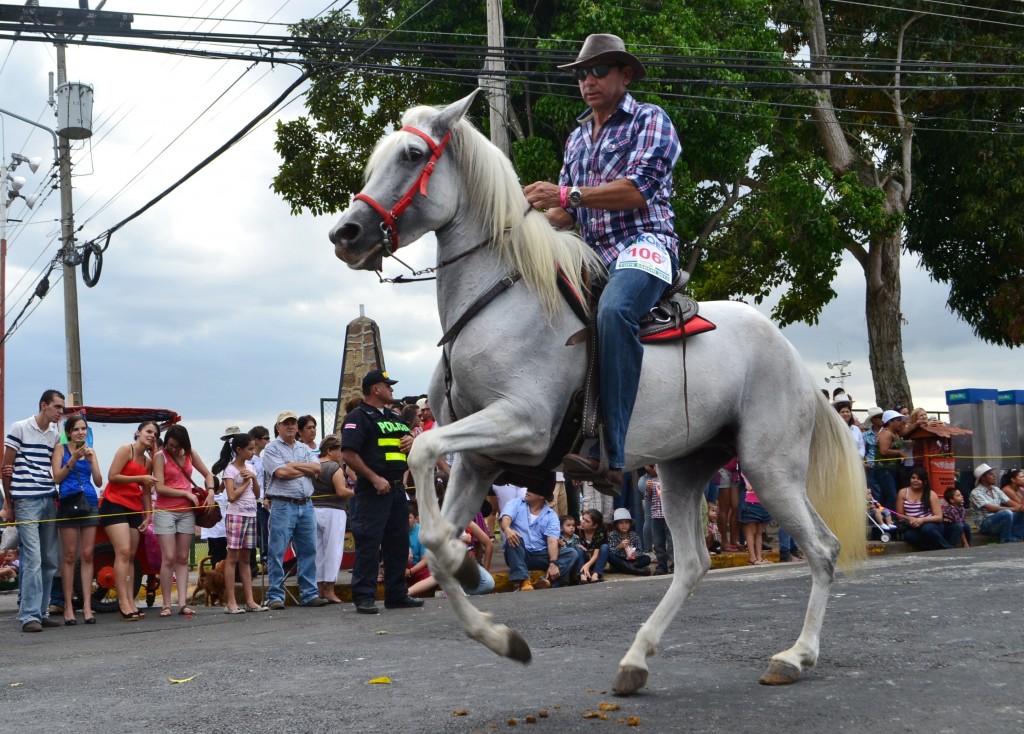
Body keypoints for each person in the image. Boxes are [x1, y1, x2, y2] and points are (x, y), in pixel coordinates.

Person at [524, 33, 681, 494]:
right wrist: (518, 224)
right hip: (591, 255)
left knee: (613, 311)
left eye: (597, 71)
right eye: (580, 74)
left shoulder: (650, 120)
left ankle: (613, 453)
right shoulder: (576, 138)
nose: (587, 81)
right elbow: (565, 214)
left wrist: (565, 194)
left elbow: (636, 190)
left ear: (624, 75)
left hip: (645, 245)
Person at [341, 369, 422, 614]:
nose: (392, 389)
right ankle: (364, 597)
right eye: (388, 385)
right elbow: (349, 454)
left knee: (398, 543)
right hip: (373, 490)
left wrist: (412, 442)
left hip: (397, 489)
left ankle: (396, 595)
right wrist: (374, 478)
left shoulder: (395, 417)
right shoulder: (358, 416)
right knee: (369, 543)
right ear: (375, 389)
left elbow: (407, 445)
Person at [2, 389, 65, 632]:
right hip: (26, 499)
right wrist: (9, 504)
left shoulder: (55, 434)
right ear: (44, 405)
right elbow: (6, 467)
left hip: (48, 497)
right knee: (32, 557)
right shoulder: (20, 427)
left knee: (49, 559)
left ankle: (41, 611)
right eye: (57, 407)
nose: (60, 412)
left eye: (62, 408)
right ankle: (29, 615)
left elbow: (55, 468)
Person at [262, 410, 329, 610]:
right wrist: (303, 468)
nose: (290, 426)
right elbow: (281, 473)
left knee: (309, 550)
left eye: (293, 423)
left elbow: (317, 469)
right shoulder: (271, 449)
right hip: (283, 504)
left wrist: (293, 465)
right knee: (277, 551)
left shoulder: (304, 447)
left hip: (306, 504)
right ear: (278, 427)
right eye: (286, 423)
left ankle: (309, 594)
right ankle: (275, 596)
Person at [153, 424, 217, 616]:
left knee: (182, 558)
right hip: (165, 510)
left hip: (187, 512)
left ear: (184, 444)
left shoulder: (190, 454)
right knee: (169, 557)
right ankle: (166, 604)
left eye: (176, 445)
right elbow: (159, 487)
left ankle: (182, 603)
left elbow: (208, 474)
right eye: (169, 444)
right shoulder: (160, 456)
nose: (172, 448)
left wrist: (211, 491)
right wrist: (185, 493)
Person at [100, 421, 159, 621]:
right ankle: (122, 602)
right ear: (138, 432)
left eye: (155, 434)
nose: (151, 435)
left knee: (131, 556)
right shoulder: (127, 449)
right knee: (123, 551)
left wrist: (148, 515)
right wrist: (140, 478)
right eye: (148, 431)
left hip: (134, 507)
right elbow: (112, 476)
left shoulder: (148, 462)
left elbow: (146, 492)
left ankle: (130, 601)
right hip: (114, 504)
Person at [51, 415, 103, 625]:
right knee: (70, 555)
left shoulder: (91, 451)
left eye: (83, 429)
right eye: (76, 429)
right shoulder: (60, 449)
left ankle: (87, 606)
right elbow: (57, 478)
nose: (80, 432)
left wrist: (91, 460)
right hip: (68, 502)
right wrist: (72, 460)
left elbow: (98, 481)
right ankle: (68, 605)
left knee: (88, 554)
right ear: (68, 433)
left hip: (89, 501)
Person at [214, 432, 266, 614]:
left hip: (251, 514)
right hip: (236, 515)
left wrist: (252, 478)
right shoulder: (230, 470)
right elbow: (231, 496)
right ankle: (231, 602)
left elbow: (257, 494)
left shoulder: (251, 467)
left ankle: (250, 600)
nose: (252, 452)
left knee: (246, 559)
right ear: (239, 450)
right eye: (250, 449)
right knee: (232, 558)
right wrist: (245, 482)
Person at [499, 476, 577, 590]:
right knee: (514, 538)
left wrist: (553, 562)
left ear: (542, 496)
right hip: (520, 553)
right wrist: (507, 530)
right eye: (528, 488)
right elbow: (506, 518)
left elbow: (552, 541)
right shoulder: (516, 503)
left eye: (532, 490)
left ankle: (546, 582)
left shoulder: (551, 515)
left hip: (541, 555)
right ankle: (523, 581)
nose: (527, 491)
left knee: (571, 553)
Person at [311, 434, 354, 604]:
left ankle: (319, 589)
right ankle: (330, 590)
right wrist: (357, 492)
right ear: (329, 451)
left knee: (318, 551)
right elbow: (341, 491)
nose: (341, 454)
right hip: (334, 511)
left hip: (314, 510)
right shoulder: (334, 467)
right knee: (333, 550)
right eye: (339, 450)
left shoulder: (313, 465)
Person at [896, 468, 955, 551]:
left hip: (931, 524)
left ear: (925, 481)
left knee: (927, 528)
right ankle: (934, 548)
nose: (915, 481)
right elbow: (899, 515)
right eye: (913, 478)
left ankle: (947, 546)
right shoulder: (903, 492)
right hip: (912, 525)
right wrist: (910, 519)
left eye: (919, 479)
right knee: (909, 535)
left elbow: (939, 517)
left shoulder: (931, 494)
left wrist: (922, 520)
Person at [970, 463, 1024, 543]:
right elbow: (990, 508)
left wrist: (1021, 507)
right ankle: (1006, 540)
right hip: (985, 524)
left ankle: (1017, 538)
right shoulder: (976, 492)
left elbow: (1009, 501)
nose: (994, 476)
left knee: (1020, 512)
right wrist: (1014, 508)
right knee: (1007, 513)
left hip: (1000, 520)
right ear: (983, 478)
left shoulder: (996, 489)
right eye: (991, 474)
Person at [875, 410, 909, 513]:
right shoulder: (886, 433)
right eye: (898, 420)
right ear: (890, 421)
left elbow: (907, 430)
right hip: (883, 469)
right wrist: (899, 452)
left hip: (892, 469)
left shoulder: (895, 433)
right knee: (892, 495)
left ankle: (882, 515)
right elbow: (884, 451)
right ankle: (889, 517)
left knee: (885, 495)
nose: (900, 422)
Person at [249, 425, 272, 573]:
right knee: (259, 533)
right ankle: (262, 561)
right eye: (266, 438)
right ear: (257, 440)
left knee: (265, 532)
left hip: (264, 500)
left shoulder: (263, 459)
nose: (268, 441)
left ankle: (266, 560)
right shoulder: (250, 460)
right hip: (255, 501)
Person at [642, 465, 671, 574]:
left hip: (668, 516)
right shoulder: (652, 481)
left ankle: (675, 565)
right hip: (656, 516)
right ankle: (662, 566)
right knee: (658, 543)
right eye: (655, 466)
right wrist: (648, 489)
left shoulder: (670, 479)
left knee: (671, 542)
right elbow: (647, 498)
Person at [738, 474, 773, 565]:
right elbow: (749, 487)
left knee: (759, 533)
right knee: (751, 532)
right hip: (750, 502)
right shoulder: (746, 471)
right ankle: (752, 558)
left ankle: (759, 557)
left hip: (761, 502)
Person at [606, 507, 652, 575]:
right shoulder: (612, 535)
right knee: (609, 555)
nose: (624, 525)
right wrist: (620, 546)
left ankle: (622, 568)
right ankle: (636, 570)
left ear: (630, 524)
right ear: (616, 524)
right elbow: (611, 551)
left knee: (647, 559)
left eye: (626, 522)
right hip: (619, 559)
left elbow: (639, 550)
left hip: (632, 561)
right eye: (621, 523)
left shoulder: (634, 535)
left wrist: (635, 554)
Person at [577, 508, 608, 582]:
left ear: (594, 526)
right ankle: (582, 575)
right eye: (583, 518)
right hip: (583, 560)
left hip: (595, 560)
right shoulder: (577, 530)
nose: (583, 522)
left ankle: (596, 574)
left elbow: (596, 554)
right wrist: (577, 545)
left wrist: (587, 565)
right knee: (577, 548)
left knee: (605, 547)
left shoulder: (600, 533)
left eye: (587, 521)